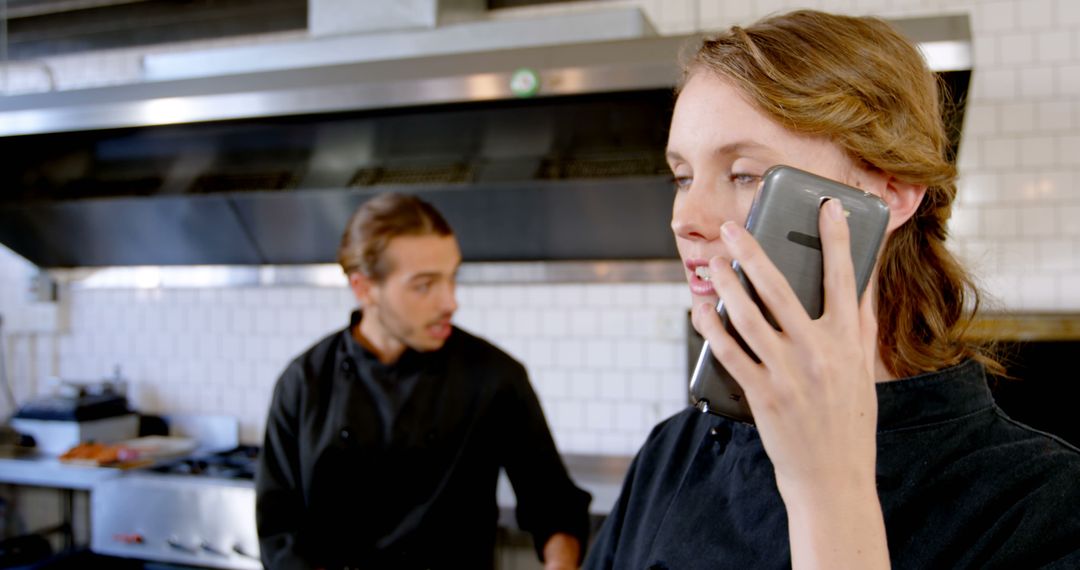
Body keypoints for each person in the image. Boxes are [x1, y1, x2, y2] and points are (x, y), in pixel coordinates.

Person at [585, 10, 1080, 570]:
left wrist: (827, 490)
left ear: (889, 192)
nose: (685, 218)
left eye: (744, 174)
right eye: (682, 177)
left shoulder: (1043, 508)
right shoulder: (671, 455)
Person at [256, 193, 591, 570]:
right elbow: (279, 532)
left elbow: (556, 508)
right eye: (424, 285)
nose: (450, 302)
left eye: (452, 278)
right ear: (364, 288)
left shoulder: (493, 377)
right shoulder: (305, 382)